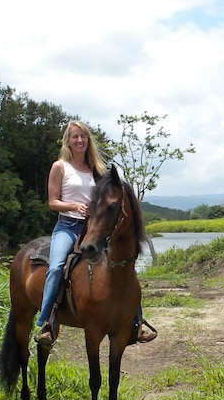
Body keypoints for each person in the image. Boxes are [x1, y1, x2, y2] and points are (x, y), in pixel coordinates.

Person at [34, 120, 157, 348]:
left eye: (83, 136)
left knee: (124, 267)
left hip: (95, 228)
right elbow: (52, 202)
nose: (79, 140)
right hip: (69, 226)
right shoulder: (60, 167)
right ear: (68, 141)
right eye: (75, 137)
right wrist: (73, 206)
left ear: (88, 140)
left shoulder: (98, 170)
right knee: (55, 267)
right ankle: (46, 323)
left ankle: (135, 322)